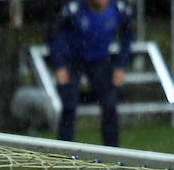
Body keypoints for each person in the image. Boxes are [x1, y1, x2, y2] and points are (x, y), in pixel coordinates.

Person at [46, 0, 134, 147]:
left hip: (100, 60)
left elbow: (128, 36)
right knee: (69, 106)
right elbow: (52, 35)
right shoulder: (74, 9)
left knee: (110, 105)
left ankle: (112, 153)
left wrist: (121, 66)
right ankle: (63, 153)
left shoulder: (119, 10)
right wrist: (60, 65)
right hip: (72, 60)